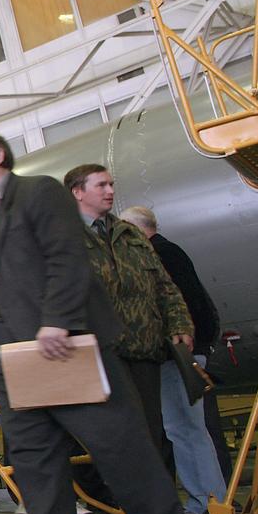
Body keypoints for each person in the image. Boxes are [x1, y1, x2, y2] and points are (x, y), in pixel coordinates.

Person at [0, 129, 187, 514]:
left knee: (116, 441)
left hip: (59, 340)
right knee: (33, 452)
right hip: (13, 350)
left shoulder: (37, 192)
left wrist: (57, 319)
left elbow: (66, 256)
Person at [64, 165, 194, 456]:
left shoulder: (131, 235)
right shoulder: (62, 237)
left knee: (151, 433)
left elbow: (164, 285)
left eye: (111, 184)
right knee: (109, 439)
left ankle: (157, 501)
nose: (110, 191)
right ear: (77, 192)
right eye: (101, 185)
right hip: (97, 355)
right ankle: (112, 501)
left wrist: (180, 324)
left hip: (142, 349)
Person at [121, 205, 228, 514]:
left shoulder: (162, 256)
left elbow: (177, 306)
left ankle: (206, 504)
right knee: (186, 429)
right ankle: (208, 500)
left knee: (185, 429)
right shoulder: (171, 253)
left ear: (138, 231)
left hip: (176, 357)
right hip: (181, 355)